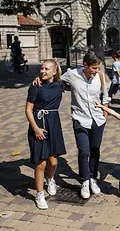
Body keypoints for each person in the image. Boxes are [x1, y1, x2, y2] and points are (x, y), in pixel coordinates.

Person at [34, 52, 110, 199]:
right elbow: (55, 81)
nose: (96, 71)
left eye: (98, 68)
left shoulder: (99, 76)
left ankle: (93, 178)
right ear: (85, 65)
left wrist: (104, 116)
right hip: (80, 118)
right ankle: (85, 181)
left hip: (97, 120)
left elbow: (105, 96)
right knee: (84, 151)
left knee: (95, 150)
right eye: (93, 68)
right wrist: (39, 78)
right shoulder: (72, 74)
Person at [25, 59, 66, 209]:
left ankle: (50, 179)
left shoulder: (60, 85)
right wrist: (35, 129)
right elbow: (28, 109)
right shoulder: (36, 85)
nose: (42, 71)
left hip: (54, 124)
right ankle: (39, 194)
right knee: (41, 162)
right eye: (41, 69)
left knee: (54, 162)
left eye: (46, 69)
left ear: (54, 72)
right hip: (39, 124)